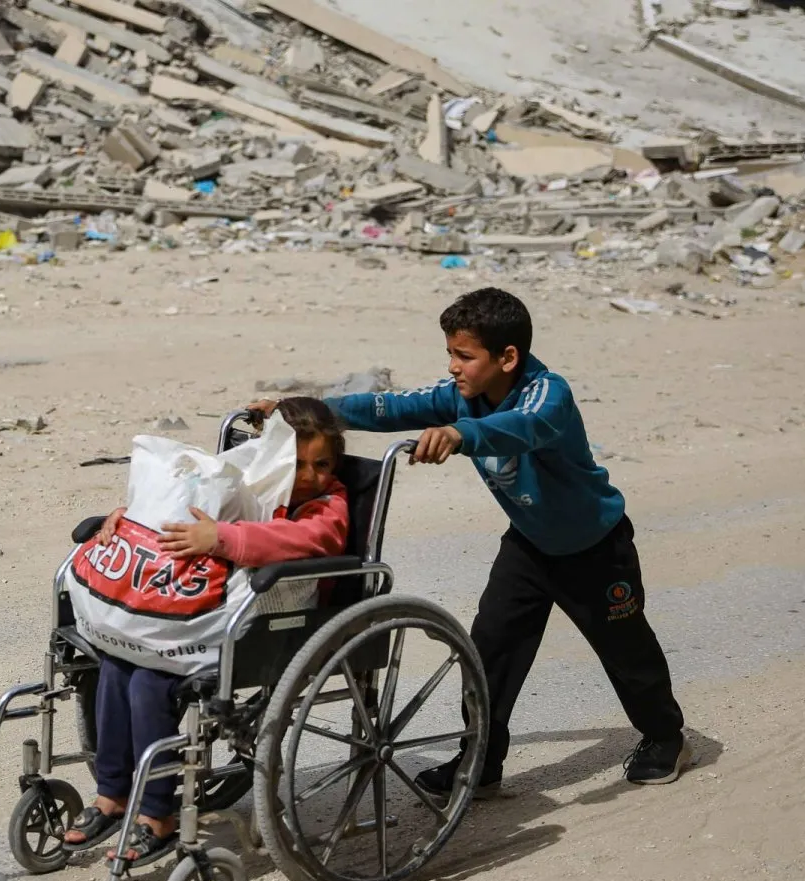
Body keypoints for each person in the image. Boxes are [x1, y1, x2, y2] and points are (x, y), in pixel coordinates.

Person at [253, 287, 689, 797]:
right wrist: (301, 411)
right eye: (450, 355)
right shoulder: (462, 395)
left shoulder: (549, 395)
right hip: (529, 545)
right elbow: (390, 407)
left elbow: (521, 428)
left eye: (465, 356)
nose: (455, 367)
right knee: (488, 653)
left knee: (626, 649)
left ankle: (664, 737)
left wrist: (462, 435)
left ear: (508, 358)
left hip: (595, 546)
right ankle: (480, 760)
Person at [63, 397, 350, 863]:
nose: (310, 475)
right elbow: (182, 506)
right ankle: (112, 793)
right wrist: (129, 517)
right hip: (216, 610)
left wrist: (222, 538)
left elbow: (308, 540)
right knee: (117, 668)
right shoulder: (254, 487)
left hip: (274, 619)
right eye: (297, 465)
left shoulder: (327, 504)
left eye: (322, 464)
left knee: (150, 685)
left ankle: (157, 814)